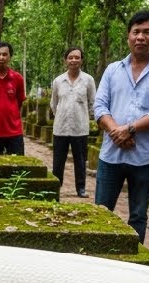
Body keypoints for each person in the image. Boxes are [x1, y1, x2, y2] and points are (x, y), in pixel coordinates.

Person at [92, 11, 149, 241]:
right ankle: (98, 259)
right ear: (129, 36)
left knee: (138, 215)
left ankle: (135, 261)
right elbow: (99, 106)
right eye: (136, 32)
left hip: (144, 158)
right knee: (101, 211)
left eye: (147, 32)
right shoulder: (112, 70)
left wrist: (130, 129)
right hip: (111, 155)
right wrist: (116, 131)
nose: (141, 37)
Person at [51, 47, 98, 198]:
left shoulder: (88, 80)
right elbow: (54, 104)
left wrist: (86, 117)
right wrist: (61, 115)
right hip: (61, 128)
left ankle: (81, 188)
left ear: (82, 60)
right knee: (58, 161)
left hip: (80, 128)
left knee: (80, 160)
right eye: (70, 57)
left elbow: (93, 102)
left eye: (77, 57)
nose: (74, 60)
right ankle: (55, 188)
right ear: (65, 60)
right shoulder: (58, 81)